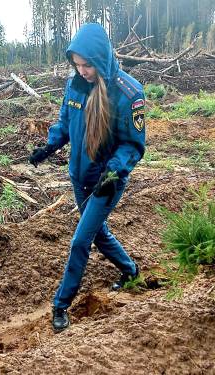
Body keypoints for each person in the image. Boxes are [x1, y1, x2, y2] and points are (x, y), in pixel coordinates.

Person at [29, 23, 146, 333]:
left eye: (87, 65)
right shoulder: (76, 85)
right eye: (76, 64)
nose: (81, 71)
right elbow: (65, 123)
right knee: (96, 233)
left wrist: (114, 171)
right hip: (78, 177)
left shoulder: (128, 92)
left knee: (81, 240)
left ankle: (61, 304)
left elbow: (132, 144)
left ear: (102, 58)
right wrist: (49, 146)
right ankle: (130, 270)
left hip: (106, 181)